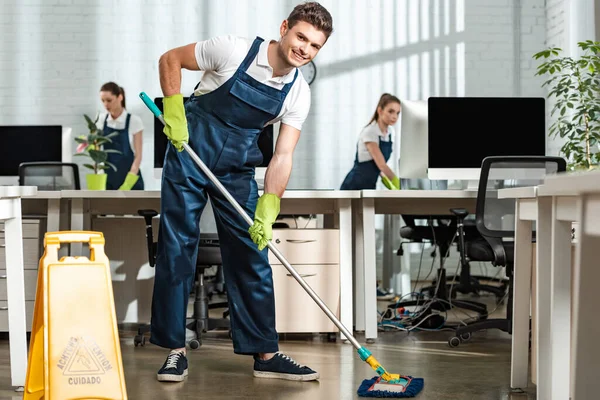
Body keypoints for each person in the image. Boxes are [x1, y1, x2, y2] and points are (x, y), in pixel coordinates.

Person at [151, 2, 333, 383]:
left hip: (237, 168)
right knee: (177, 246)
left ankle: (266, 353)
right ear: (284, 28)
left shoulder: (298, 93)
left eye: (314, 46)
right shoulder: (233, 50)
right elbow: (170, 60)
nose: (304, 49)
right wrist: (174, 112)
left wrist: (269, 206)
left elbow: (282, 155)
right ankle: (175, 351)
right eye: (301, 37)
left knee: (253, 253)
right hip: (189, 152)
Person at [340, 93, 401, 190]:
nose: (395, 116)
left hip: (370, 185)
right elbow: (381, 165)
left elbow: (377, 167)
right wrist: (401, 186)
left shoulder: (389, 133)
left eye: (397, 113)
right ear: (380, 111)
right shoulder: (370, 132)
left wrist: (390, 184)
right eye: (391, 111)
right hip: (354, 186)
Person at [96, 82, 144, 190]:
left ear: (120, 97)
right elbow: (97, 152)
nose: (105, 104)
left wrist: (127, 184)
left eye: (109, 100)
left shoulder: (134, 121)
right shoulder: (101, 120)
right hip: (108, 181)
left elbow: (138, 156)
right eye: (102, 101)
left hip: (131, 182)